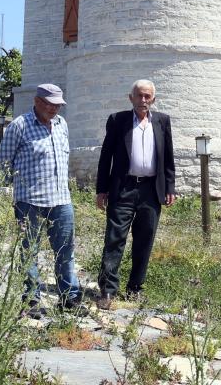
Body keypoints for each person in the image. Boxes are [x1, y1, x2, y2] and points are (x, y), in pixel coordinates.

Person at [0, 83, 83, 315]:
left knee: (65, 250)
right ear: (37, 102)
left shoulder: (61, 124)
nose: (55, 109)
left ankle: (69, 299)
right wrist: (13, 190)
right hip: (29, 201)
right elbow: (4, 160)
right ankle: (31, 301)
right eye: (50, 104)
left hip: (61, 200)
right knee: (29, 251)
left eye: (58, 105)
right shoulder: (20, 126)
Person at [94, 79, 176, 308]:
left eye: (147, 96)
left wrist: (170, 186)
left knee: (144, 240)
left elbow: (168, 157)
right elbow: (106, 157)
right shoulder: (118, 121)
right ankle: (108, 291)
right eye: (139, 96)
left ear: (153, 99)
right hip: (123, 188)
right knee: (114, 239)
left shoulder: (162, 122)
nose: (143, 100)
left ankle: (135, 288)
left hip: (151, 190)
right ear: (131, 98)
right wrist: (102, 189)